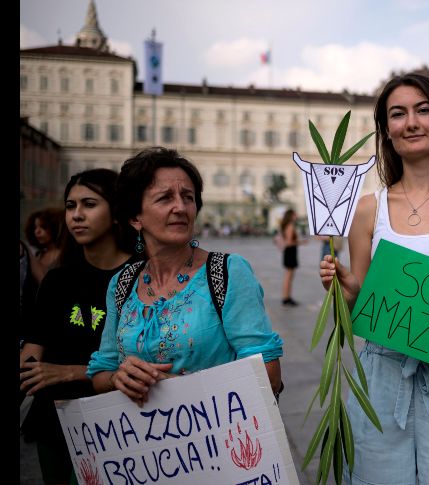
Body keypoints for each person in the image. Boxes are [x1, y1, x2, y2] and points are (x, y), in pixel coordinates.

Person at [319, 73, 429, 484]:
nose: (411, 122)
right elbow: (358, 309)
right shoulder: (368, 209)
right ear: (387, 131)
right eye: (397, 114)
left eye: (423, 109)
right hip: (383, 379)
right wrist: (345, 292)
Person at [87, 147, 283, 406]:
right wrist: (118, 379)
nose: (180, 207)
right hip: (145, 443)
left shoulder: (227, 272)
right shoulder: (122, 283)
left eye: (188, 197)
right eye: (165, 198)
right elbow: (102, 372)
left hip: (215, 438)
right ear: (135, 217)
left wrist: (183, 390)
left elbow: (269, 375)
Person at [20, 168, 135, 485]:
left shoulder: (142, 279)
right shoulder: (58, 278)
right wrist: (29, 367)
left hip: (117, 420)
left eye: (89, 204)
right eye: (71, 206)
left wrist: (68, 371)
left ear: (115, 213)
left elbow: (146, 362)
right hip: (53, 419)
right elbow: (34, 345)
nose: (77, 215)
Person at [24, 207, 66, 284]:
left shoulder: (63, 255)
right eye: (35, 228)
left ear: (54, 228)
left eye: (43, 227)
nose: (37, 231)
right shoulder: (38, 255)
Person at [280, 208, 306, 306]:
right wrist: (301, 242)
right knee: (289, 276)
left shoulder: (286, 225)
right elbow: (289, 242)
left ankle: (287, 297)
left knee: (289, 276)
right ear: (291, 216)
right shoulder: (290, 226)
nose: (296, 216)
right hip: (290, 252)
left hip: (289, 253)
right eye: (295, 215)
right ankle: (286, 298)